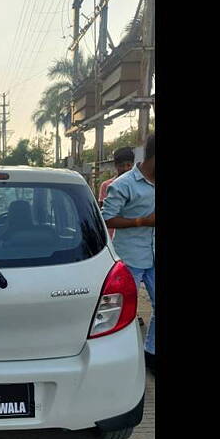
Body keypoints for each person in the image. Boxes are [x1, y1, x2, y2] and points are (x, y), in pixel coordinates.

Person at [101, 133, 155, 374]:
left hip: (155, 256)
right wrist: (142, 221)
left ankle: (150, 353)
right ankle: (121, 359)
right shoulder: (123, 185)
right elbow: (107, 219)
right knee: (125, 312)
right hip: (130, 257)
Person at [98, 146, 136, 239]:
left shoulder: (138, 185)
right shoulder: (107, 185)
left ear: (133, 164)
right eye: (122, 165)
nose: (126, 168)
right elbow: (103, 214)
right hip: (111, 237)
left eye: (129, 165)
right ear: (116, 166)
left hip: (132, 236)